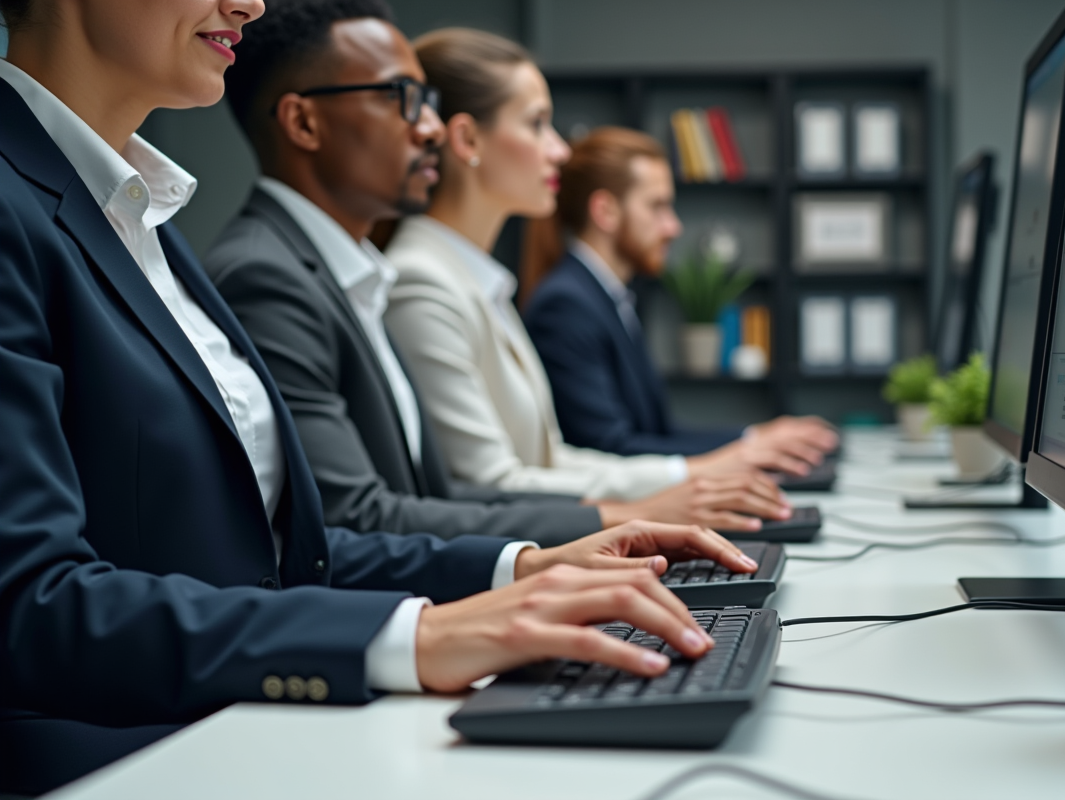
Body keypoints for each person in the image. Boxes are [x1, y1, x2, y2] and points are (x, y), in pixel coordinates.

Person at [0, 0, 756, 793]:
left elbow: (281, 553)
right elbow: (30, 606)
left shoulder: (141, 217)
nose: (250, 3)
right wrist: (412, 636)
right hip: (115, 756)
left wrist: (520, 566)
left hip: (230, 718)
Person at [206, 0, 614, 546]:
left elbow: (429, 497)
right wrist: (608, 522)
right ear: (304, 122)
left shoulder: (348, 273)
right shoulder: (265, 276)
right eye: (403, 98)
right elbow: (355, 521)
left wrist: (619, 518)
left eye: (430, 102)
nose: (431, 130)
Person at [382, 29, 801, 530]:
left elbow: (550, 459)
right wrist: (673, 492)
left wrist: (697, 476)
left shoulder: (481, 283)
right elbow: (490, 485)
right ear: (468, 140)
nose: (560, 150)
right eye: (537, 124)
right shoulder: (422, 282)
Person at [522, 127, 840, 463]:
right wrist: (749, 451)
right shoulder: (566, 306)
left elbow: (657, 433)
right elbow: (610, 448)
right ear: (606, 211)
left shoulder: (604, 297)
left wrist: (754, 437)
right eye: (657, 207)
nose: (673, 227)